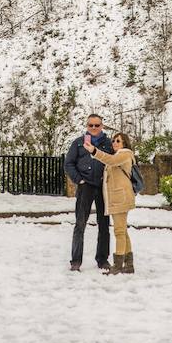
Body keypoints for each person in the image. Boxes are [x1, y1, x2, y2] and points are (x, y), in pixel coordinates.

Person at [64, 114, 113, 271]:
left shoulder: (109, 143)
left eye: (96, 125)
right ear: (87, 126)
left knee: (104, 225)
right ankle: (76, 261)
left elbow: (115, 161)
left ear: (101, 126)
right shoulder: (78, 143)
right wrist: (79, 180)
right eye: (90, 125)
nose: (93, 128)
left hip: (103, 187)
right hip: (86, 186)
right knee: (80, 224)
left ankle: (102, 259)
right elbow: (69, 164)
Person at [83, 131, 136, 275]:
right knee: (123, 231)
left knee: (119, 232)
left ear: (124, 143)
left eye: (118, 141)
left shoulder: (125, 154)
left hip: (121, 198)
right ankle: (129, 265)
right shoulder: (118, 155)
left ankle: (118, 266)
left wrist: (94, 150)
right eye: (113, 141)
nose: (114, 143)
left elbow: (110, 161)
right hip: (118, 198)